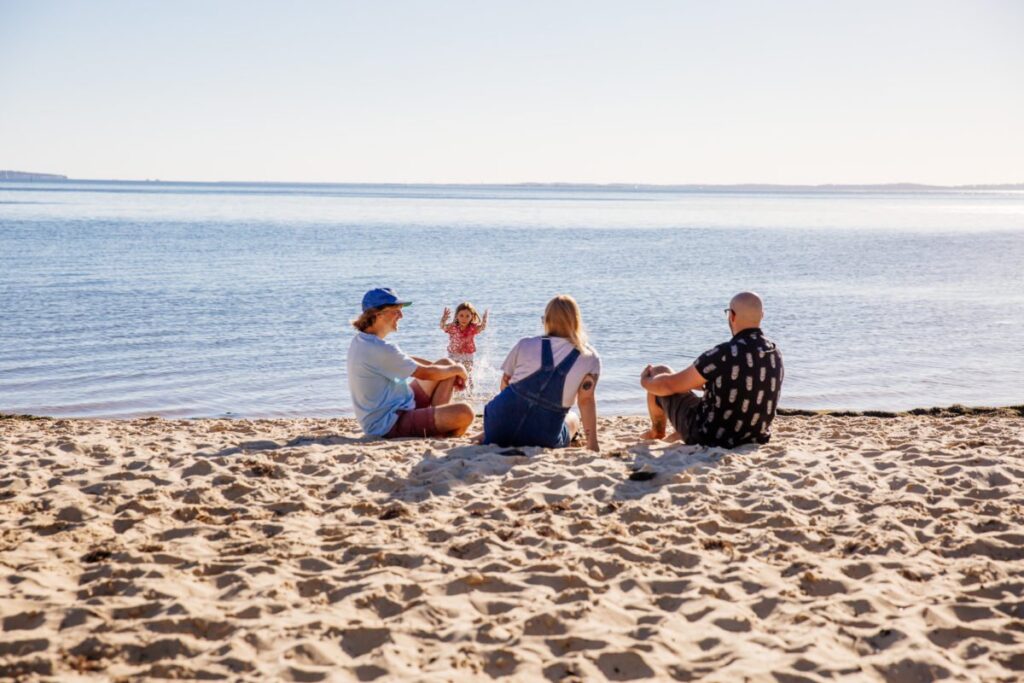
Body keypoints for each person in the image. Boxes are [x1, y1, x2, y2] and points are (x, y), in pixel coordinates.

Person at [640, 291, 784, 448]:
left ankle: (656, 432)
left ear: (732, 316)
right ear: (761, 316)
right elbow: (745, 384)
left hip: (710, 436)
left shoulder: (723, 354)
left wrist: (645, 381)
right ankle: (675, 434)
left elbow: (669, 385)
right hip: (756, 436)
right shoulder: (775, 353)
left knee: (660, 373)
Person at [347, 288, 475, 439]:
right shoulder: (379, 348)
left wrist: (450, 371)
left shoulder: (363, 341)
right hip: (389, 423)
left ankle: (436, 423)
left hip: (400, 404)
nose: (401, 315)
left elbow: (406, 359)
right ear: (378, 314)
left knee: (446, 364)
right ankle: (439, 430)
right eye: (396, 310)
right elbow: (426, 373)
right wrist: (459, 369)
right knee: (465, 413)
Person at [481, 294, 601, 452]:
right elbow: (586, 401)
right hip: (542, 437)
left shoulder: (525, 344)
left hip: (497, 427)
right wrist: (592, 444)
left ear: (547, 320)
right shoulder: (589, 356)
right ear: (576, 321)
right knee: (573, 418)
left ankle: (485, 434)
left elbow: (505, 384)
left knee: (512, 407)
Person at [439, 302, 489, 381]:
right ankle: (453, 392)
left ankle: (470, 393)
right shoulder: (453, 327)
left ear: (472, 316)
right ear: (457, 316)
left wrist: (484, 320)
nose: (464, 319)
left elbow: (482, 328)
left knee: (467, 376)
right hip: (453, 354)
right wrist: (443, 319)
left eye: (467, 316)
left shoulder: (472, 328)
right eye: (461, 315)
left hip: (467, 355)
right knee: (453, 376)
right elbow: (442, 327)